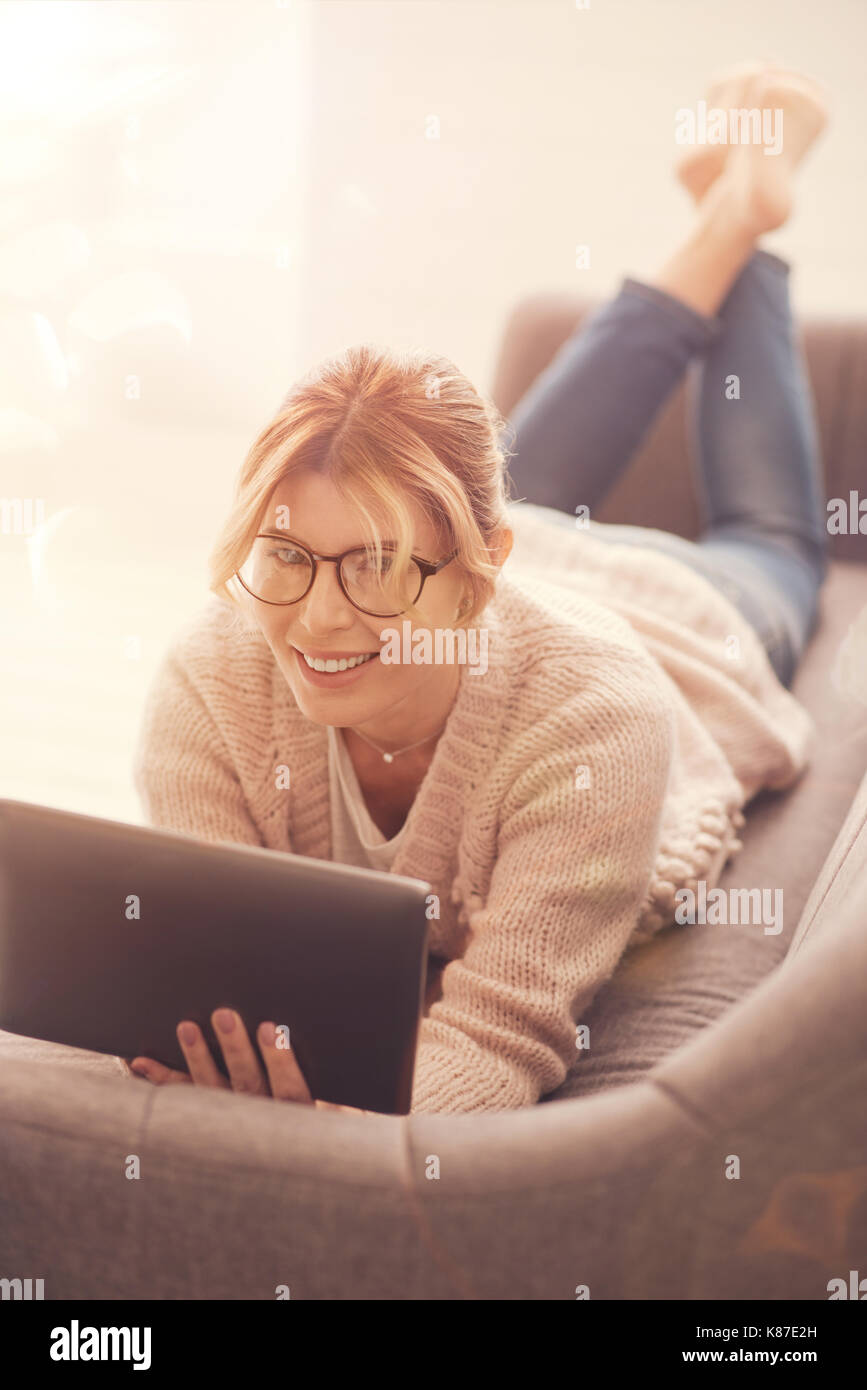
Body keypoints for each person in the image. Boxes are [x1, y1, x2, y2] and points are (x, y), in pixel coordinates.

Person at [130, 64, 829, 1115]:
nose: (315, 619)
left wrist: (329, 1132)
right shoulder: (216, 672)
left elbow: (502, 1038)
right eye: (284, 557)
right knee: (486, 470)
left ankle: (747, 226)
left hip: (680, 616)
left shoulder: (602, 724)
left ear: (478, 571)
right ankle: (729, 211)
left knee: (770, 534)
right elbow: (198, 980)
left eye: (366, 570)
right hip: (484, 558)